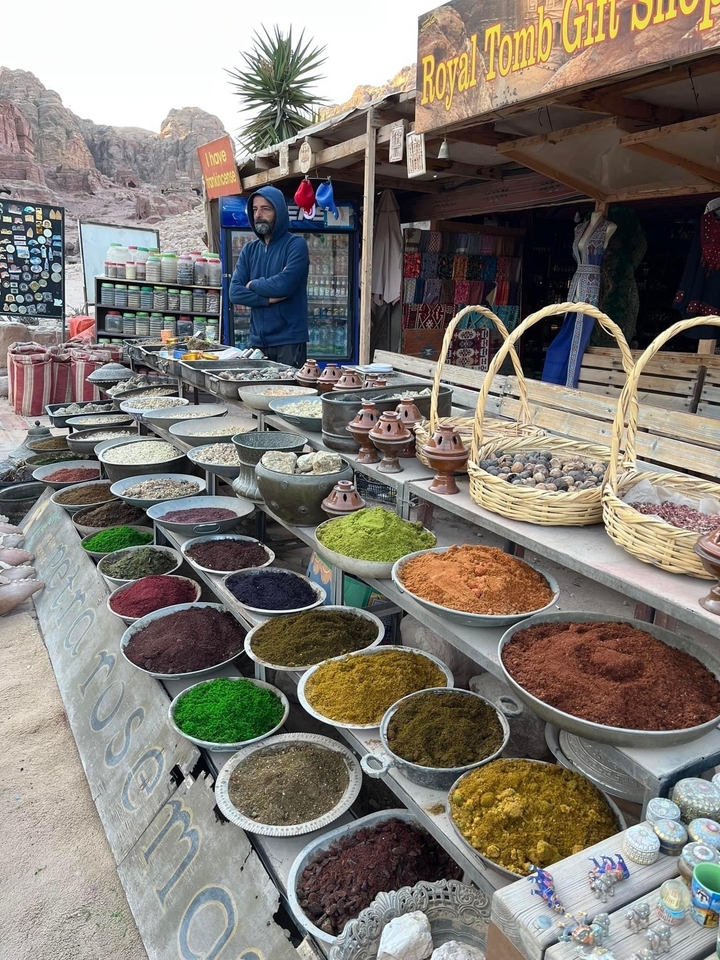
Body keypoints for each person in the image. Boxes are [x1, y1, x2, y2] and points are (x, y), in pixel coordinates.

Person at [229, 186, 310, 367]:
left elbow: (285, 285)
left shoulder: (295, 245)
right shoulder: (249, 250)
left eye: (266, 209)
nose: (258, 214)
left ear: (279, 212)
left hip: (289, 340)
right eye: (255, 209)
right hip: (258, 342)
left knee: (288, 394)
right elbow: (234, 292)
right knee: (258, 392)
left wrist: (252, 284)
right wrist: (268, 300)